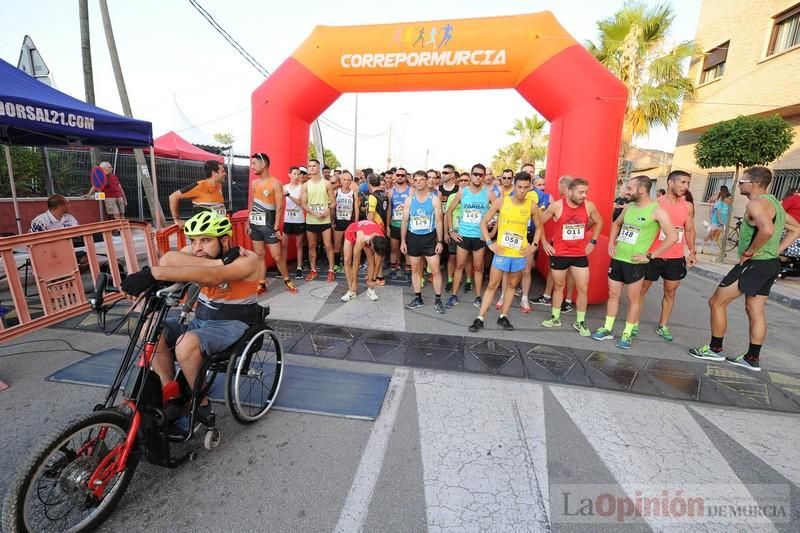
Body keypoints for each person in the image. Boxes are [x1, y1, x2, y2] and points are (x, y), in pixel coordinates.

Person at [120, 210, 263, 431]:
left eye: (205, 240)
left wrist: (154, 274)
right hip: (201, 319)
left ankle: (201, 402)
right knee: (149, 326)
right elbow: (168, 259)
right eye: (193, 241)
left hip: (232, 324)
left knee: (186, 343)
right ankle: (171, 390)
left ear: (224, 239)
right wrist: (218, 262)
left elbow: (215, 277)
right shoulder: (202, 255)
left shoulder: (249, 260)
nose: (197, 248)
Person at [689, 167, 800, 370]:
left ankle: (715, 350)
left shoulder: (756, 204)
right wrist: (775, 250)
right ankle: (752, 358)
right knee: (754, 309)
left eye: (742, 181)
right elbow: (796, 228)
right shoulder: (775, 203)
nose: (739, 184)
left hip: (754, 264)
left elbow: (767, 230)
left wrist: (750, 251)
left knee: (716, 302)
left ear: (755, 183)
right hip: (770, 264)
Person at [592, 175, 677, 349]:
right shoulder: (629, 207)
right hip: (618, 258)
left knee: (633, 299)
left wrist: (650, 256)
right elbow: (616, 224)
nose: (626, 191)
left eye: (630, 188)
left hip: (636, 263)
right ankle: (607, 329)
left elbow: (673, 236)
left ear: (642, 190)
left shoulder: (657, 211)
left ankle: (627, 333)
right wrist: (610, 242)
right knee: (613, 295)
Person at [469, 172, 541, 332]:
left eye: (525, 187)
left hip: (519, 254)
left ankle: (503, 317)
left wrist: (533, 245)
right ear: (514, 186)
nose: (522, 191)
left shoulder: (531, 205)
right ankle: (479, 318)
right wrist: (489, 243)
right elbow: (484, 221)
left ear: (530, 187)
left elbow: (539, 228)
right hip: (501, 252)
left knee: (512, 285)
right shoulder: (502, 201)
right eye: (519, 187)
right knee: (493, 285)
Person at [539, 177, 603, 336]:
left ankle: (580, 322)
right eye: (581, 192)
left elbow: (599, 221)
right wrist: (545, 243)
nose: (584, 196)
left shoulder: (589, 206)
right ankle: (555, 318)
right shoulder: (556, 206)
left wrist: (592, 242)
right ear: (569, 192)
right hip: (559, 253)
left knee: (583, 288)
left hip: (579, 254)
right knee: (559, 286)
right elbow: (539, 221)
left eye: (586, 192)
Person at [639, 170, 697, 342]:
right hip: (653, 255)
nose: (686, 187)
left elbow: (689, 229)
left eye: (688, 183)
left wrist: (692, 251)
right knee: (641, 290)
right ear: (671, 183)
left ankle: (663, 325)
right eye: (683, 183)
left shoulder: (688, 206)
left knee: (670, 292)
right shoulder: (656, 204)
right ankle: (633, 322)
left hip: (675, 257)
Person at [444, 163, 496, 308]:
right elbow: (449, 212)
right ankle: (454, 295)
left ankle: (478, 297)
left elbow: (500, 211)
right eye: (475, 174)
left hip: (479, 236)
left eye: (480, 175)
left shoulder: (488, 193)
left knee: (478, 267)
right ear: (471, 174)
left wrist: (491, 232)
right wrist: (451, 231)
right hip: (463, 235)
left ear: (484, 177)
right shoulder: (463, 192)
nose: (477, 177)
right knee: (459, 265)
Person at [246, 153, 297, 294]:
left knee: (277, 256)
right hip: (255, 224)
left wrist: (275, 227)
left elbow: (280, 207)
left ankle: (287, 279)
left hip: (269, 225)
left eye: (254, 163)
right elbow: (251, 203)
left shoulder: (275, 183)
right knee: (259, 255)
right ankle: (262, 283)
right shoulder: (254, 183)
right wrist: (247, 221)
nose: (252, 167)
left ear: (263, 164)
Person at [401, 170, 445, 313]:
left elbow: (439, 222)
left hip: (429, 238)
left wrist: (440, 241)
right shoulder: (409, 200)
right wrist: (403, 241)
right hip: (413, 238)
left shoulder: (434, 199)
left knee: (435, 270)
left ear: (427, 181)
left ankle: (438, 300)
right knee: (415, 269)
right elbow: (404, 222)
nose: (419, 182)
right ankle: (418, 298)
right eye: (416, 180)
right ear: (413, 182)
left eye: (421, 179)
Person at [300, 159, 336, 282]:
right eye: (309, 166)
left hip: (325, 220)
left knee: (328, 245)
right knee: (311, 246)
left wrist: (327, 210)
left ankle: (331, 270)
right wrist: (314, 213)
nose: (311, 168)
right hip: (311, 220)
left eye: (314, 166)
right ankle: (313, 269)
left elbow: (333, 202)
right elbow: (303, 204)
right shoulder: (305, 185)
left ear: (319, 168)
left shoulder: (327, 184)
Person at [340, 220, 389, 302]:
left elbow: (378, 262)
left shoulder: (381, 239)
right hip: (352, 231)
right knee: (347, 260)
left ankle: (371, 290)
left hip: (369, 232)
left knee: (371, 260)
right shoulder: (361, 240)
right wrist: (355, 281)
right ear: (372, 246)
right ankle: (351, 291)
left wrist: (373, 280)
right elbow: (356, 262)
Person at [169, 160, 227, 227]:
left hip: (217, 228)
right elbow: (173, 197)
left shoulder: (219, 185)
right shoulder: (200, 186)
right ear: (214, 173)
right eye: (223, 171)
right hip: (202, 231)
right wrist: (177, 219)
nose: (225, 174)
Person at [333, 170, 360, 273]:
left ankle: (346, 264)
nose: (347, 182)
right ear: (341, 180)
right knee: (337, 245)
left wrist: (356, 223)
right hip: (338, 221)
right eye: (344, 180)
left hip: (349, 222)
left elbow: (356, 208)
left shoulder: (354, 193)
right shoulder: (336, 192)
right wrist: (332, 221)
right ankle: (336, 264)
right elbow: (332, 208)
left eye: (349, 180)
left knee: (348, 245)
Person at [282, 166, 307, 280]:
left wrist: (288, 195)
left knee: (299, 245)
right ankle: (282, 267)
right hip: (287, 219)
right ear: (289, 174)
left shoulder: (302, 187)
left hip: (299, 219)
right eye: (295, 174)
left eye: (298, 174)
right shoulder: (284, 187)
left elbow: (300, 202)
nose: (297, 176)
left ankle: (299, 268)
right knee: (284, 245)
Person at [387, 168, 412, 279]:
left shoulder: (411, 190)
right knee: (394, 248)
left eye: (402, 175)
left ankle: (408, 268)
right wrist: (387, 225)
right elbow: (389, 209)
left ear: (406, 177)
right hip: (395, 224)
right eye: (398, 175)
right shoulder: (391, 191)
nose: (400, 177)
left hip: (408, 225)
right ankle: (393, 268)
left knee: (407, 249)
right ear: (395, 177)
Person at [703, 185, 731, 250]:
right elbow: (710, 201)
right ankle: (703, 246)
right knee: (712, 233)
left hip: (721, 215)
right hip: (715, 214)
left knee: (716, 234)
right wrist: (714, 195)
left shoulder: (726, 197)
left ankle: (711, 247)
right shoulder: (718, 195)